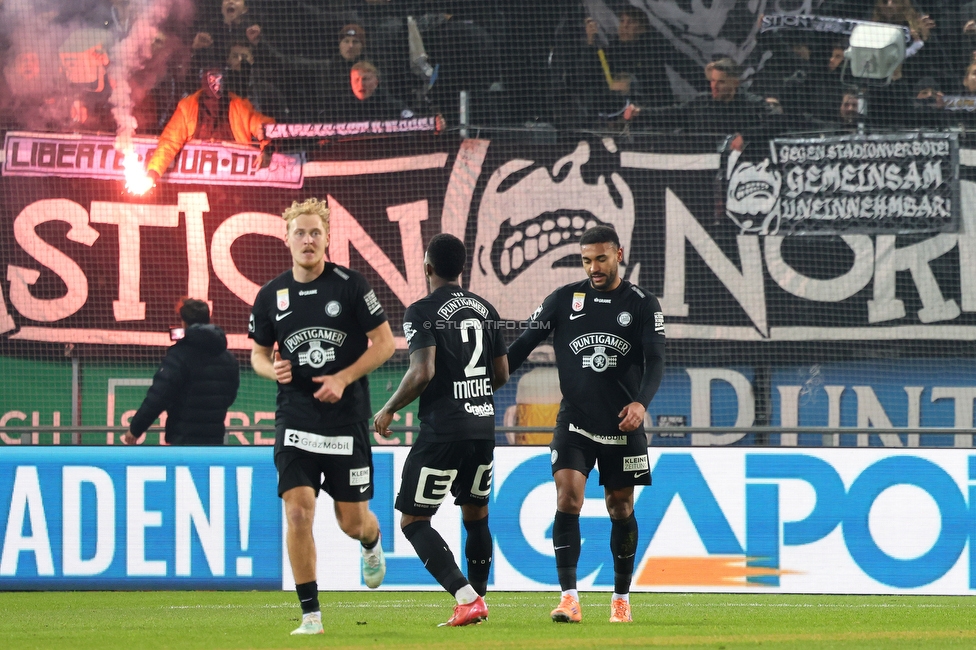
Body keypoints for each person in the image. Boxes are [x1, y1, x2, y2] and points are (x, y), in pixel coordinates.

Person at [248, 198, 396, 636]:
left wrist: (344, 377)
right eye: (300, 232)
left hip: (345, 420)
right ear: (287, 238)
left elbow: (386, 344)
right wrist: (268, 368)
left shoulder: (351, 286)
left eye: (315, 232)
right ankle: (310, 615)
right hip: (295, 418)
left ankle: (371, 540)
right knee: (298, 512)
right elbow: (257, 353)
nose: (308, 240)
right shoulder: (270, 295)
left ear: (328, 237)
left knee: (351, 522)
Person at [507, 225, 666, 624]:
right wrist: (486, 376)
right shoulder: (564, 300)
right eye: (586, 260)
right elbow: (523, 344)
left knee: (620, 506)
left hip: (623, 426)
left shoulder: (645, 303)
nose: (593, 267)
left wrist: (640, 404)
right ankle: (569, 599)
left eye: (600, 258)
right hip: (575, 422)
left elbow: (657, 361)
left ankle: (620, 599)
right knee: (568, 497)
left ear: (618, 254)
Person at [373, 234, 509, 627]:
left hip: (443, 430)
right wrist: (475, 396)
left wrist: (388, 409)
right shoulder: (486, 309)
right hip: (482, 428)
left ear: (428, 268)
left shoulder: (421, 311)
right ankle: (480, 600)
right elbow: (500, 373)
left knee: (413, 521)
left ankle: (467, 599)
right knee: (476, 513)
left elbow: (422, 371)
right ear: (462, 268)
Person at [123, 298, 240, 446]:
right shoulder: (228, 358)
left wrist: (135, 429)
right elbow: (229, 396)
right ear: (208, 319)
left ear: (183, 322)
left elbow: (158, 398)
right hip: (215, 439)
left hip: (183, 439)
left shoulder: (178, 356)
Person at [144, 66, 273, 184]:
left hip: (232, 184)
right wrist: (153, 172)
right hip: (195, 183)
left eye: (219, 79)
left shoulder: (239, 107)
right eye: (212, 79)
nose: (216, 85)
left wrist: (267, 149)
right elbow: (170, 142)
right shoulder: (188, 108)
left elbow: (265, 127)